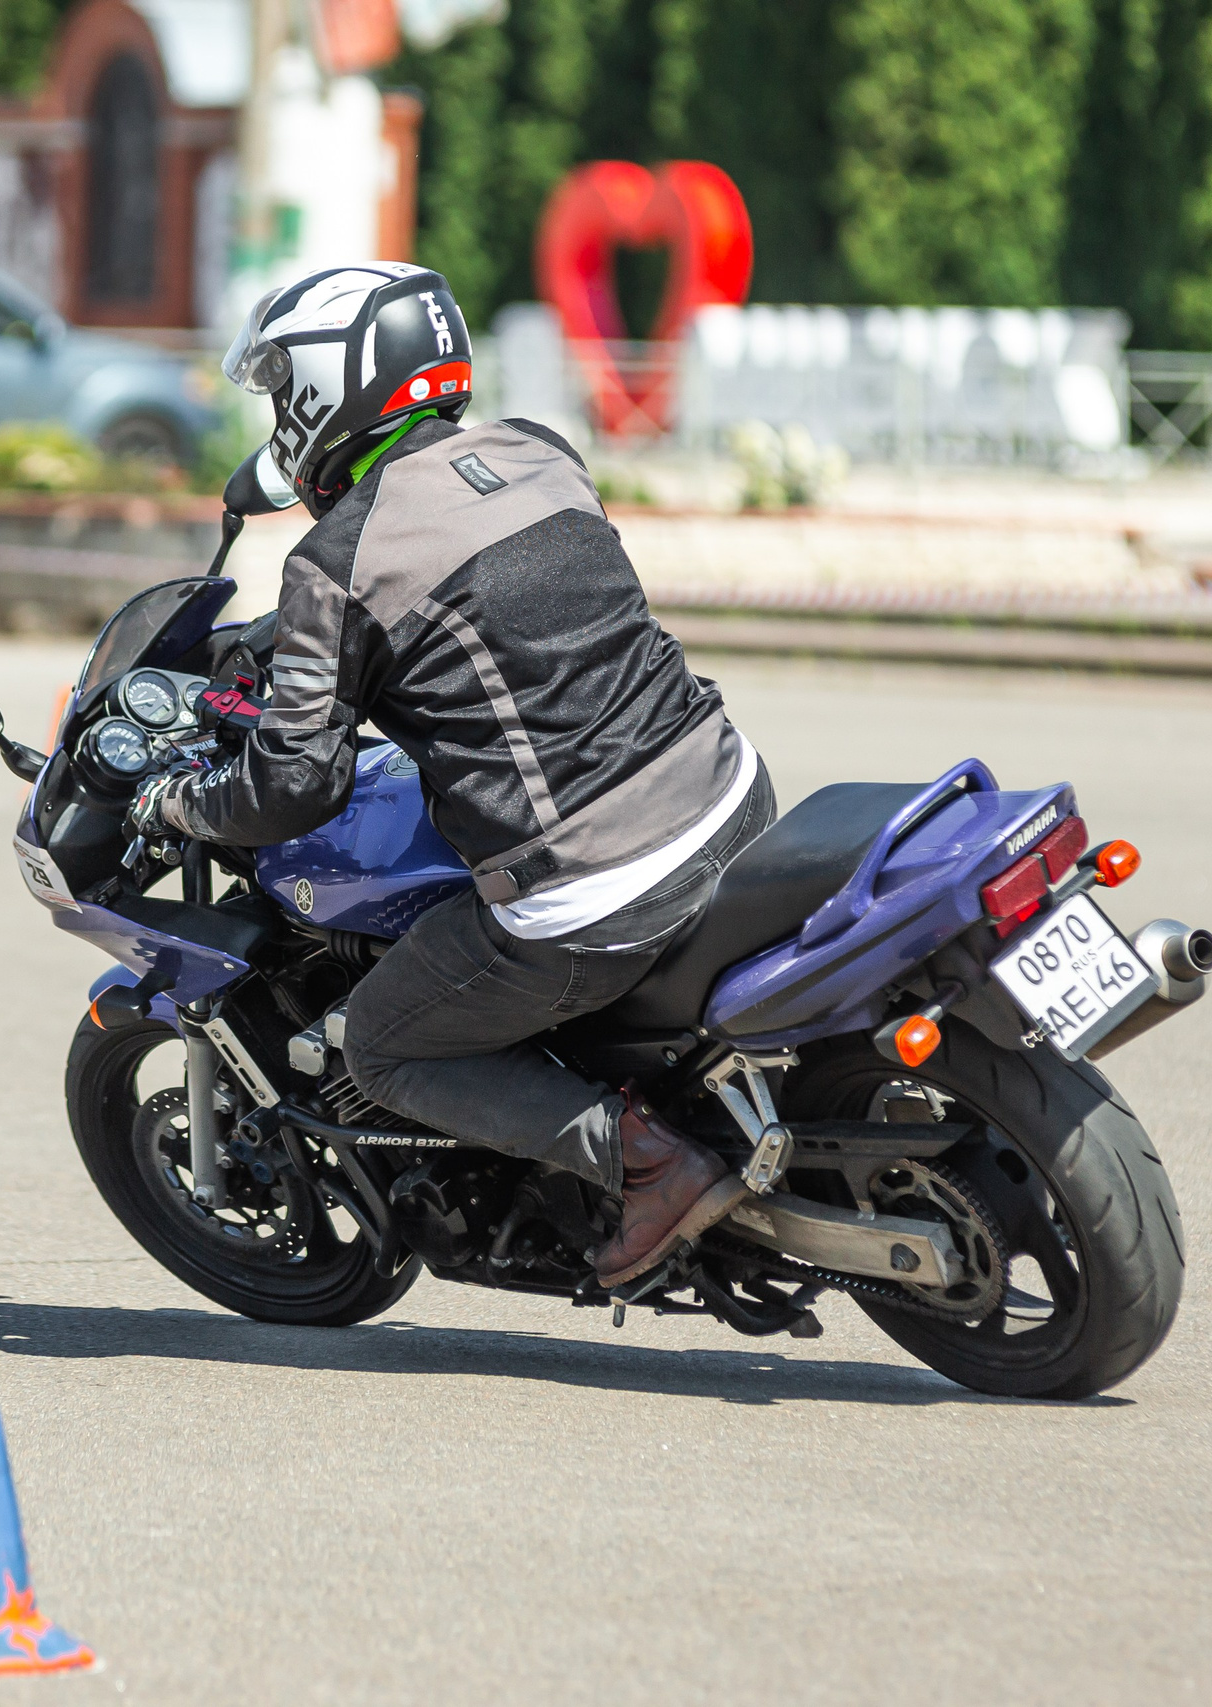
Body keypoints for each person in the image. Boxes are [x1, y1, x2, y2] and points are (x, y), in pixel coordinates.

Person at [131, 264, 777, 1289]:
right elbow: (499, 603)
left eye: (278, 390)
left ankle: (645, 1159)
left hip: (593, 883)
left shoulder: (336, 562)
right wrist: (273, 645)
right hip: (728, 792)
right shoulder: (538, 452)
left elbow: (290, 788)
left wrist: (177, 800)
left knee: (384, 1044)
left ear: (320, 391)